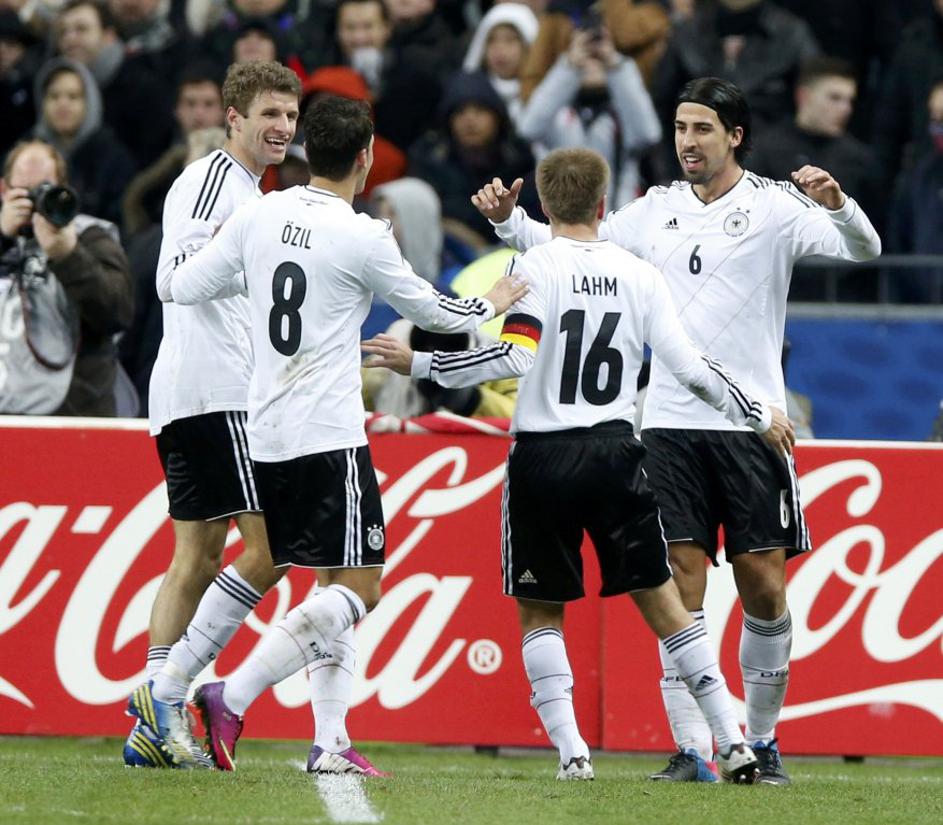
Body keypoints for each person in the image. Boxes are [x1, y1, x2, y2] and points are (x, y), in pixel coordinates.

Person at [475, 77, 881, 784]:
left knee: (763, 585)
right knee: (680, 582)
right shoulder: (654, 208)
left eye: (701, 129)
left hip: (753, 423)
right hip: (664, 424)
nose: (686, 142)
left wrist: (838, 204)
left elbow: (864, 249)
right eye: (680, 128)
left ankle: (761, 740)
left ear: (735, 136)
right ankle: (694, 749)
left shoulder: (775, 205)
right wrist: (512, 224)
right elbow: (573, 244)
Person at [363, 147, 794, 781]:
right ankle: (731, 739)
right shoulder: (640, 274)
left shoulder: (533, 266)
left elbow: (514, 357)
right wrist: (756, 412)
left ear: (543, 203)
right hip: (617, 453)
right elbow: (691, 368)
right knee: (666, 605)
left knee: (541, 610)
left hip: (543, 454)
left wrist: (422, 363)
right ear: (602, 205)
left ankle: (573, 756)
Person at [156, 95, 527, 772]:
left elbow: (181, 286)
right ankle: (227, 695)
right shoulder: (363, 235)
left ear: (308, 151)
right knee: (361, 588)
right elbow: (436, 314)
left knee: (326, 579)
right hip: (328, 433)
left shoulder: (259, 213)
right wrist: (491, 303)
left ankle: (322, 738)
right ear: (365, 158)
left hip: (263, 429)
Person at [123, 60, 305, 772]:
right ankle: (167, 692)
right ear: (233, 118)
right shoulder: (211, 181)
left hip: (198, 392)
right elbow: (177, 278)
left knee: (196, 557)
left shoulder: (251, 191)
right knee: (273, 547)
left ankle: (154, 721)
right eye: (269, 114)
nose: (282, 127)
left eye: (290, 116)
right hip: (218, 389)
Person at [0, 139, 132, 416]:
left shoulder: (91, 236)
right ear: (4, 190)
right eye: (24, 191)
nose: (35, 202)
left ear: (63, 188)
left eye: (44, 189)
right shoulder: (5, 241)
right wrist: (2, 239)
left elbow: (118, 313)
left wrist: (68, 255)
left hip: (74, 414)